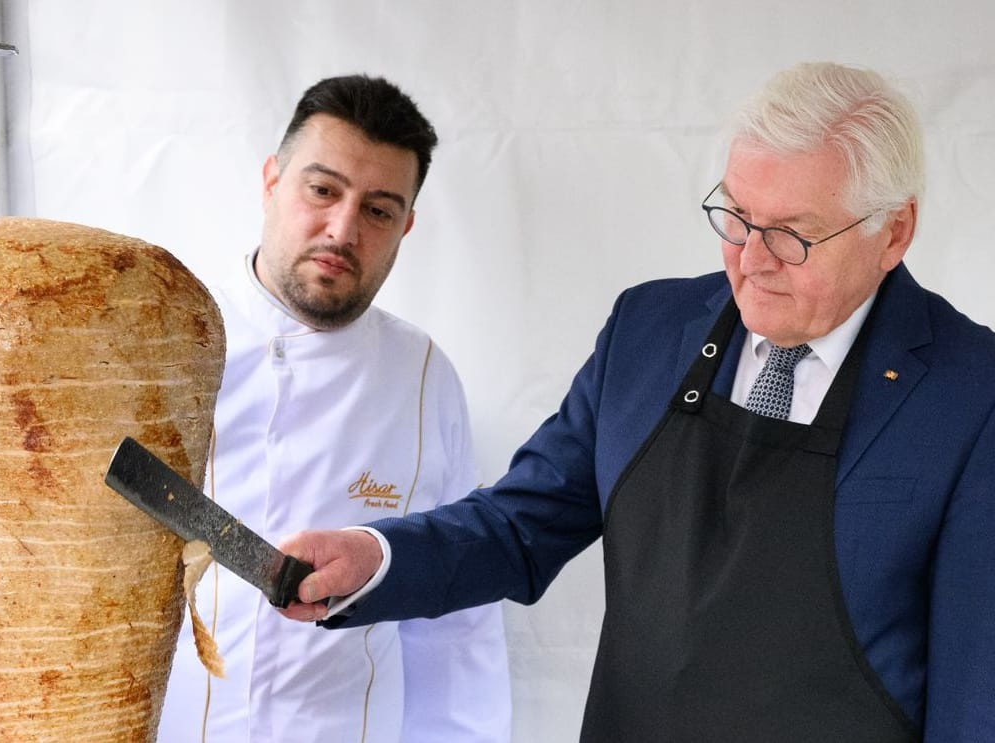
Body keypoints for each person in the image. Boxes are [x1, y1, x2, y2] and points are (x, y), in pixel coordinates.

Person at [281, 62, 995, 742]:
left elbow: (977, 692)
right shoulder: (648, 331)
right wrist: (374, 557)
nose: (750, 258)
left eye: (791, 235)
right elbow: (521, 524)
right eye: (738, 216)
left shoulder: (971, 395)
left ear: (892, 231)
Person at [156, 75, 511, 743]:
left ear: (406, 225)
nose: (342, 230)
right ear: (271, 181)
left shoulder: (424, 376)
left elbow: (456, 618)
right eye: (322, 190)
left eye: (379, 209)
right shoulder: (167, 340)